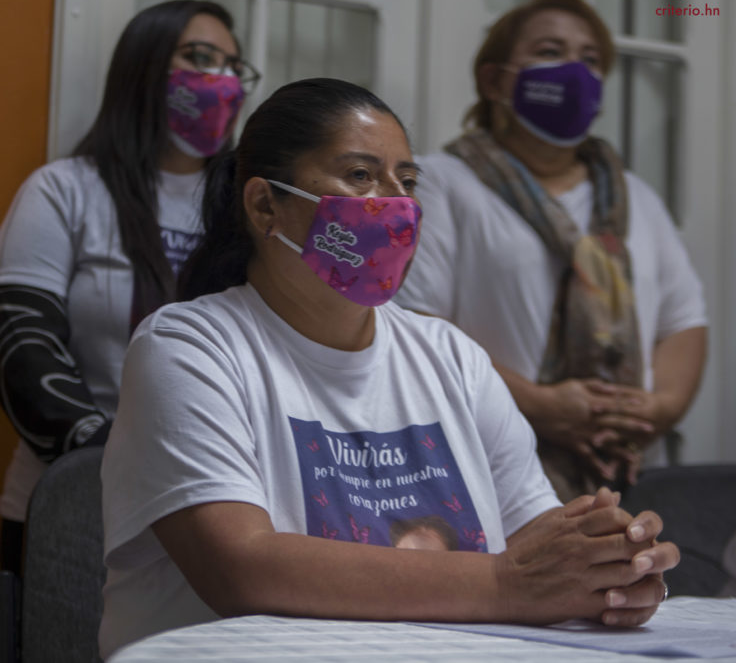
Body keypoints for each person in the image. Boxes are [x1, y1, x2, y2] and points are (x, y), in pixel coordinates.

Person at [98, 78, 678, 659]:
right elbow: (242, 568)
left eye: (408, 181)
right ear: (265, 206)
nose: (397, 204)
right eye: (360, 175)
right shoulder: (189, 350)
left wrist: (608, 569)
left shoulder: (452, 358)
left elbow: (540, 548)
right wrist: (505, 583)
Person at [0, 0, 260, 574]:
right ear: (144, 64)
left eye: (234, 67)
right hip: (74, 504)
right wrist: (115, 459)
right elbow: (20, 346)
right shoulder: (66, 190)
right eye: (199, 57)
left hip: (221, 509)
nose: (222, 80)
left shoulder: (249, 209)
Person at [395, 0, 707, 502]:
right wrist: (540, 406)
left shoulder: (636, 198)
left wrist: (657, 409)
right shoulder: (440, 183)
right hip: (493, 471)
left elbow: (683, 321)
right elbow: (415, 326)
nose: (575, 71)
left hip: (630, 478)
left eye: (590, 58)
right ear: (494, 81)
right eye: (550, 51)